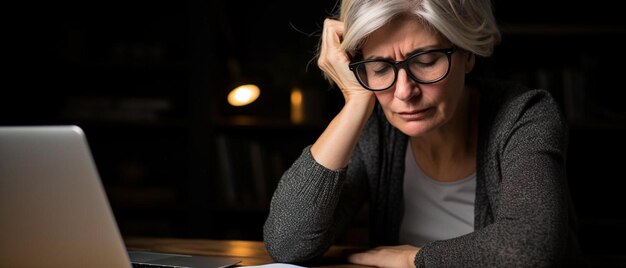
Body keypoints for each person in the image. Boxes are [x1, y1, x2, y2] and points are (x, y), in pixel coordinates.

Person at [263, 0, 582, 267]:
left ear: (468, 53)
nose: (404, 92)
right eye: (379, 68)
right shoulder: (375, 129)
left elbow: (529, 246)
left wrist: (415, 258)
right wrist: (356, 102)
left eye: (426, 61)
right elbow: (288, 242)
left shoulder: (525, 115)